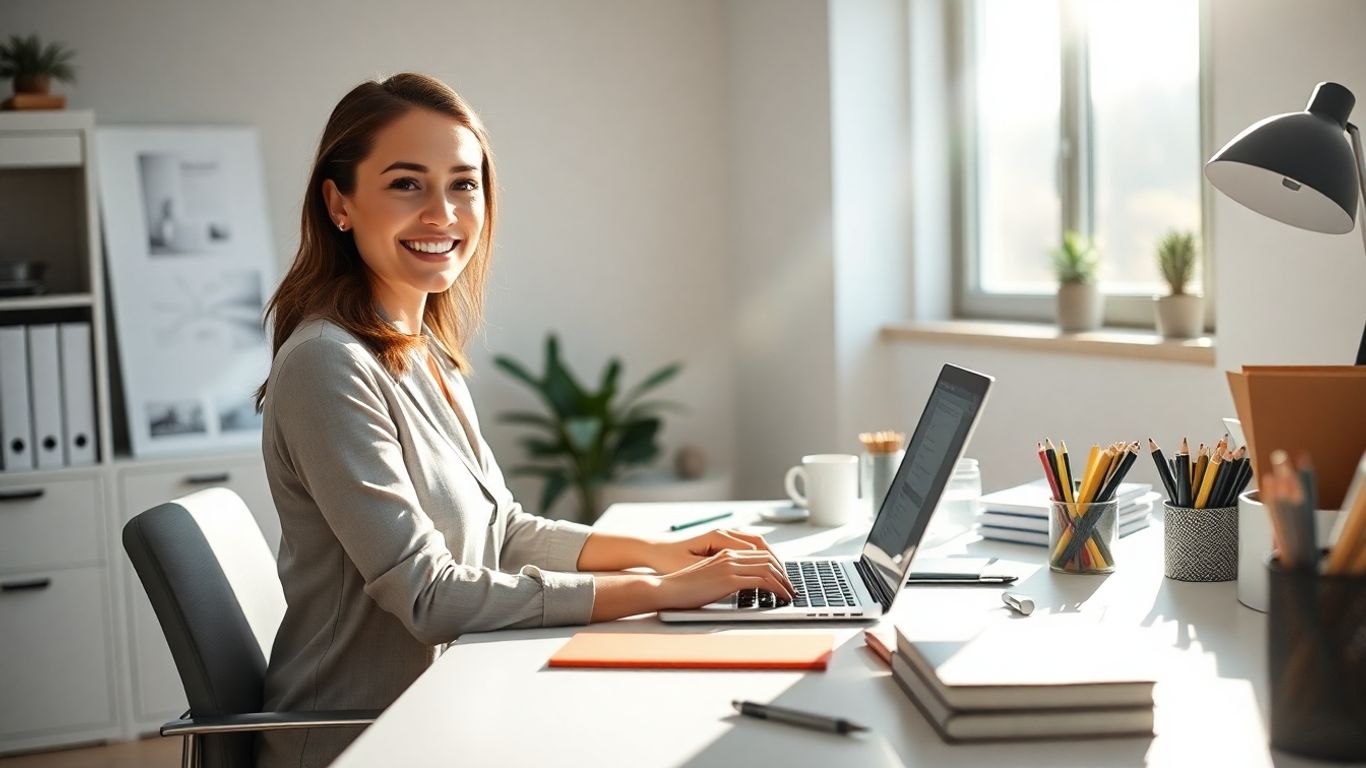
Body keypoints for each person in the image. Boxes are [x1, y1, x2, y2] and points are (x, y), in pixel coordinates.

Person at [254, 72, 795, 768]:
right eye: (406, 183)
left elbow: (503, 531)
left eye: (463, 183)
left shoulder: (425, 353)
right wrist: (658, 593)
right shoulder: (328, 367)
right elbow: (427, 595)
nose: (443, 213)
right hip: (368, 739)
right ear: (339, 203)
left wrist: (663, 555)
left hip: (452, 702)